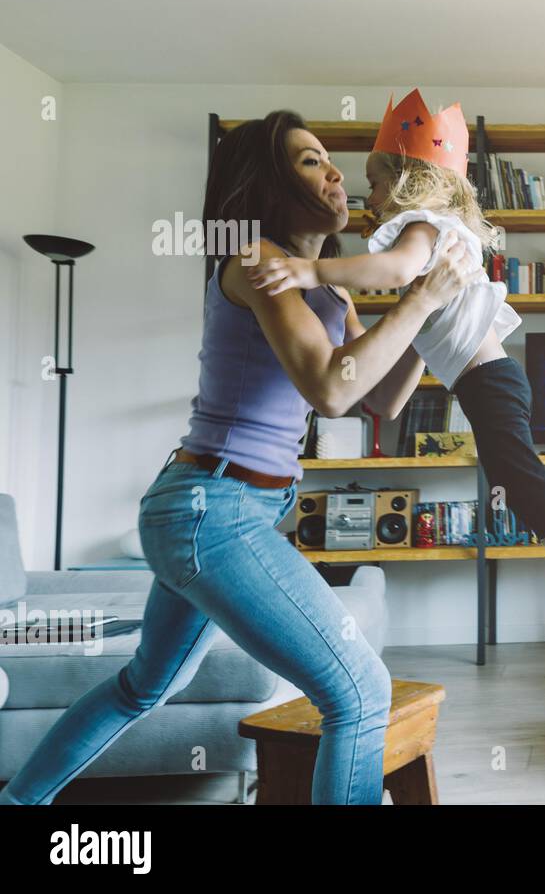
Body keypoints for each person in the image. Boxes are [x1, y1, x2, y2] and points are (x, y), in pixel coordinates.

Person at [0, 110, 479, 806]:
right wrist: (417, 302)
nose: (335, 171)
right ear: (271, 184)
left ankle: (19, 802)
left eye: (328, 157)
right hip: (212, 510)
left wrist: (431, 312)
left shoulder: (331, 287)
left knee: (143, 685)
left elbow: (384, 401)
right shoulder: (257, 260)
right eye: (311, 160)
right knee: (359, 690)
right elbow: (330, 389)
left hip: (219, 508)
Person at [247, 90, 545, 650]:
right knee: (513, 471)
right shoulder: (434, 236)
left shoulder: (423, 227)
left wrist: (310, 271)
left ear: (408, 182)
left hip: (486, 379)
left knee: (515, 471)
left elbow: (395, 265)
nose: (370, 194)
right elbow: (383, 394)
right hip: (486, 380)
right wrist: (411, 307)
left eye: (378, 181)